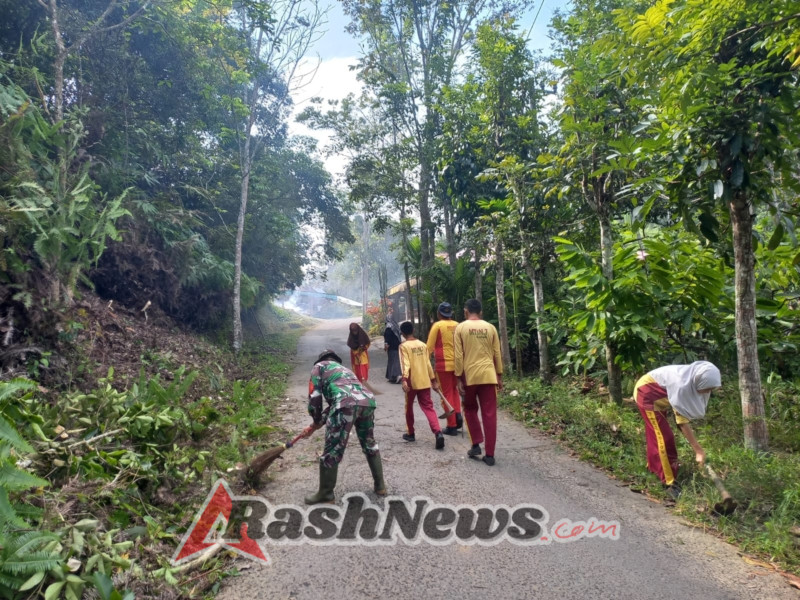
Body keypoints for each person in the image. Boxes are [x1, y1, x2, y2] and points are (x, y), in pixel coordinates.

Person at [304, 349, 386, 504]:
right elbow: (340, 402)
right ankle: (380, 485)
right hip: (367, 402)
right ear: (335, 359)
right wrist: (315, 425)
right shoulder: (345, 370)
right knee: (369, 443)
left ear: (320, 359)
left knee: (333, 448)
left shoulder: (319, 367)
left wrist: (315, 418)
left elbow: (315, 397)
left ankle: (326, 493)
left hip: (345, 404)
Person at [633, 361, 721, 499]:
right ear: (700, 382)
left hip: (659, 398)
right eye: (707, 388)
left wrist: (697, 449)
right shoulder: (681, 385)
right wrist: (698, 450)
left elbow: (681, 415)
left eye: (711, 388)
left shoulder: (690, 380)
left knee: (656, 435)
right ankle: (669, 483)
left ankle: (653, 469)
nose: (708, 392)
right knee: (664, 438)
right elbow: (681, 422)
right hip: (647, 394)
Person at [454, 299, 503, 466]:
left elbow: (459, 356)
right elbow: (497, 352)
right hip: (489, 375)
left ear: (466, 311)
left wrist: (458, 377)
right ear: (480, 312)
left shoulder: (460, 328)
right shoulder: (491, 328)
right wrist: (499, 374)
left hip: (470, 376)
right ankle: (490, 455)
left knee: (469, 408)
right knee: (489, 414)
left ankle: (475, 443)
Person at [399, 321, 445, 450]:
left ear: (402, 333)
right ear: (413, 330)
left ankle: (411, 433)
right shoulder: (423, 345)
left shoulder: (403, 346)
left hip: (411, 382)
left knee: (409, 407)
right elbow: (428, 364)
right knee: (428, 407)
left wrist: (404, 380)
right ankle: (438, 432)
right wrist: (433, 380)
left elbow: (405, 364)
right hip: (425, 381)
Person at [427, 301, 462, 436]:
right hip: (458, 365)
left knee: (446, 394)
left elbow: (429, 348)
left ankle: (452, 425)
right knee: (454, 391)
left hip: (443, 365)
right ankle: (457, 415)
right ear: (450, 313)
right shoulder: (458, 325)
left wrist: (425, 364)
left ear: (439, 314)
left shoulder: (438, 326)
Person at [383, 312, 403, 384]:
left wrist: (386, 345)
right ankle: (391, 377)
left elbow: (388, 337)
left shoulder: (389, 326)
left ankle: (397, 375)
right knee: (395, 360)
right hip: (397, 345)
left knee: (393, 361)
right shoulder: (395, 325)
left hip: (392, 346)